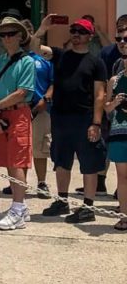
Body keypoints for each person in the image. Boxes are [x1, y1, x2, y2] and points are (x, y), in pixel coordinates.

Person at [32, 15, 107, 224]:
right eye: (73, 30)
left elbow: (100, 95)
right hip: (61, 118)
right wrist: (42, 27)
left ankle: (88, 207)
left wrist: (96, 123)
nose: (76, 34)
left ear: (90, 37)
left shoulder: (97, 62)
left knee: (89, 163)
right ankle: (62, 200)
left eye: (81, 32)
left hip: (84, 119)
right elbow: (35, 49)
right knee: (61, 161)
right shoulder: (60, 55)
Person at [0, 16, 35, 232]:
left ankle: (18, 208)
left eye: (11, 34)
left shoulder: (28, 62)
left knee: (17, 161)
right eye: (3, 34)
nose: (7, 38)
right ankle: (18, 206)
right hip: (2, 114)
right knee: (8, 160)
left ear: (20, 36)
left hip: (19, 113)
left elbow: (23, 92)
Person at [22, 22, 54, 199]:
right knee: (22, 147)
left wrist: (46, 99)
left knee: (41, 148)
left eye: (29, 32)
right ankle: (20, 182)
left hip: (41, 108)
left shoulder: (44, 58)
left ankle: (41, 182)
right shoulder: (15, 57)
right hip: (20, 108)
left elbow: (53, 82)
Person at [104, 23, 127, 232]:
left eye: (126, 39)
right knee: (122, 177)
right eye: (119, 39)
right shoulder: (115, 78)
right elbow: (107, 108)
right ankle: (125, 216)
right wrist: (115, 103)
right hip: (120, 131)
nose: (122, 43)